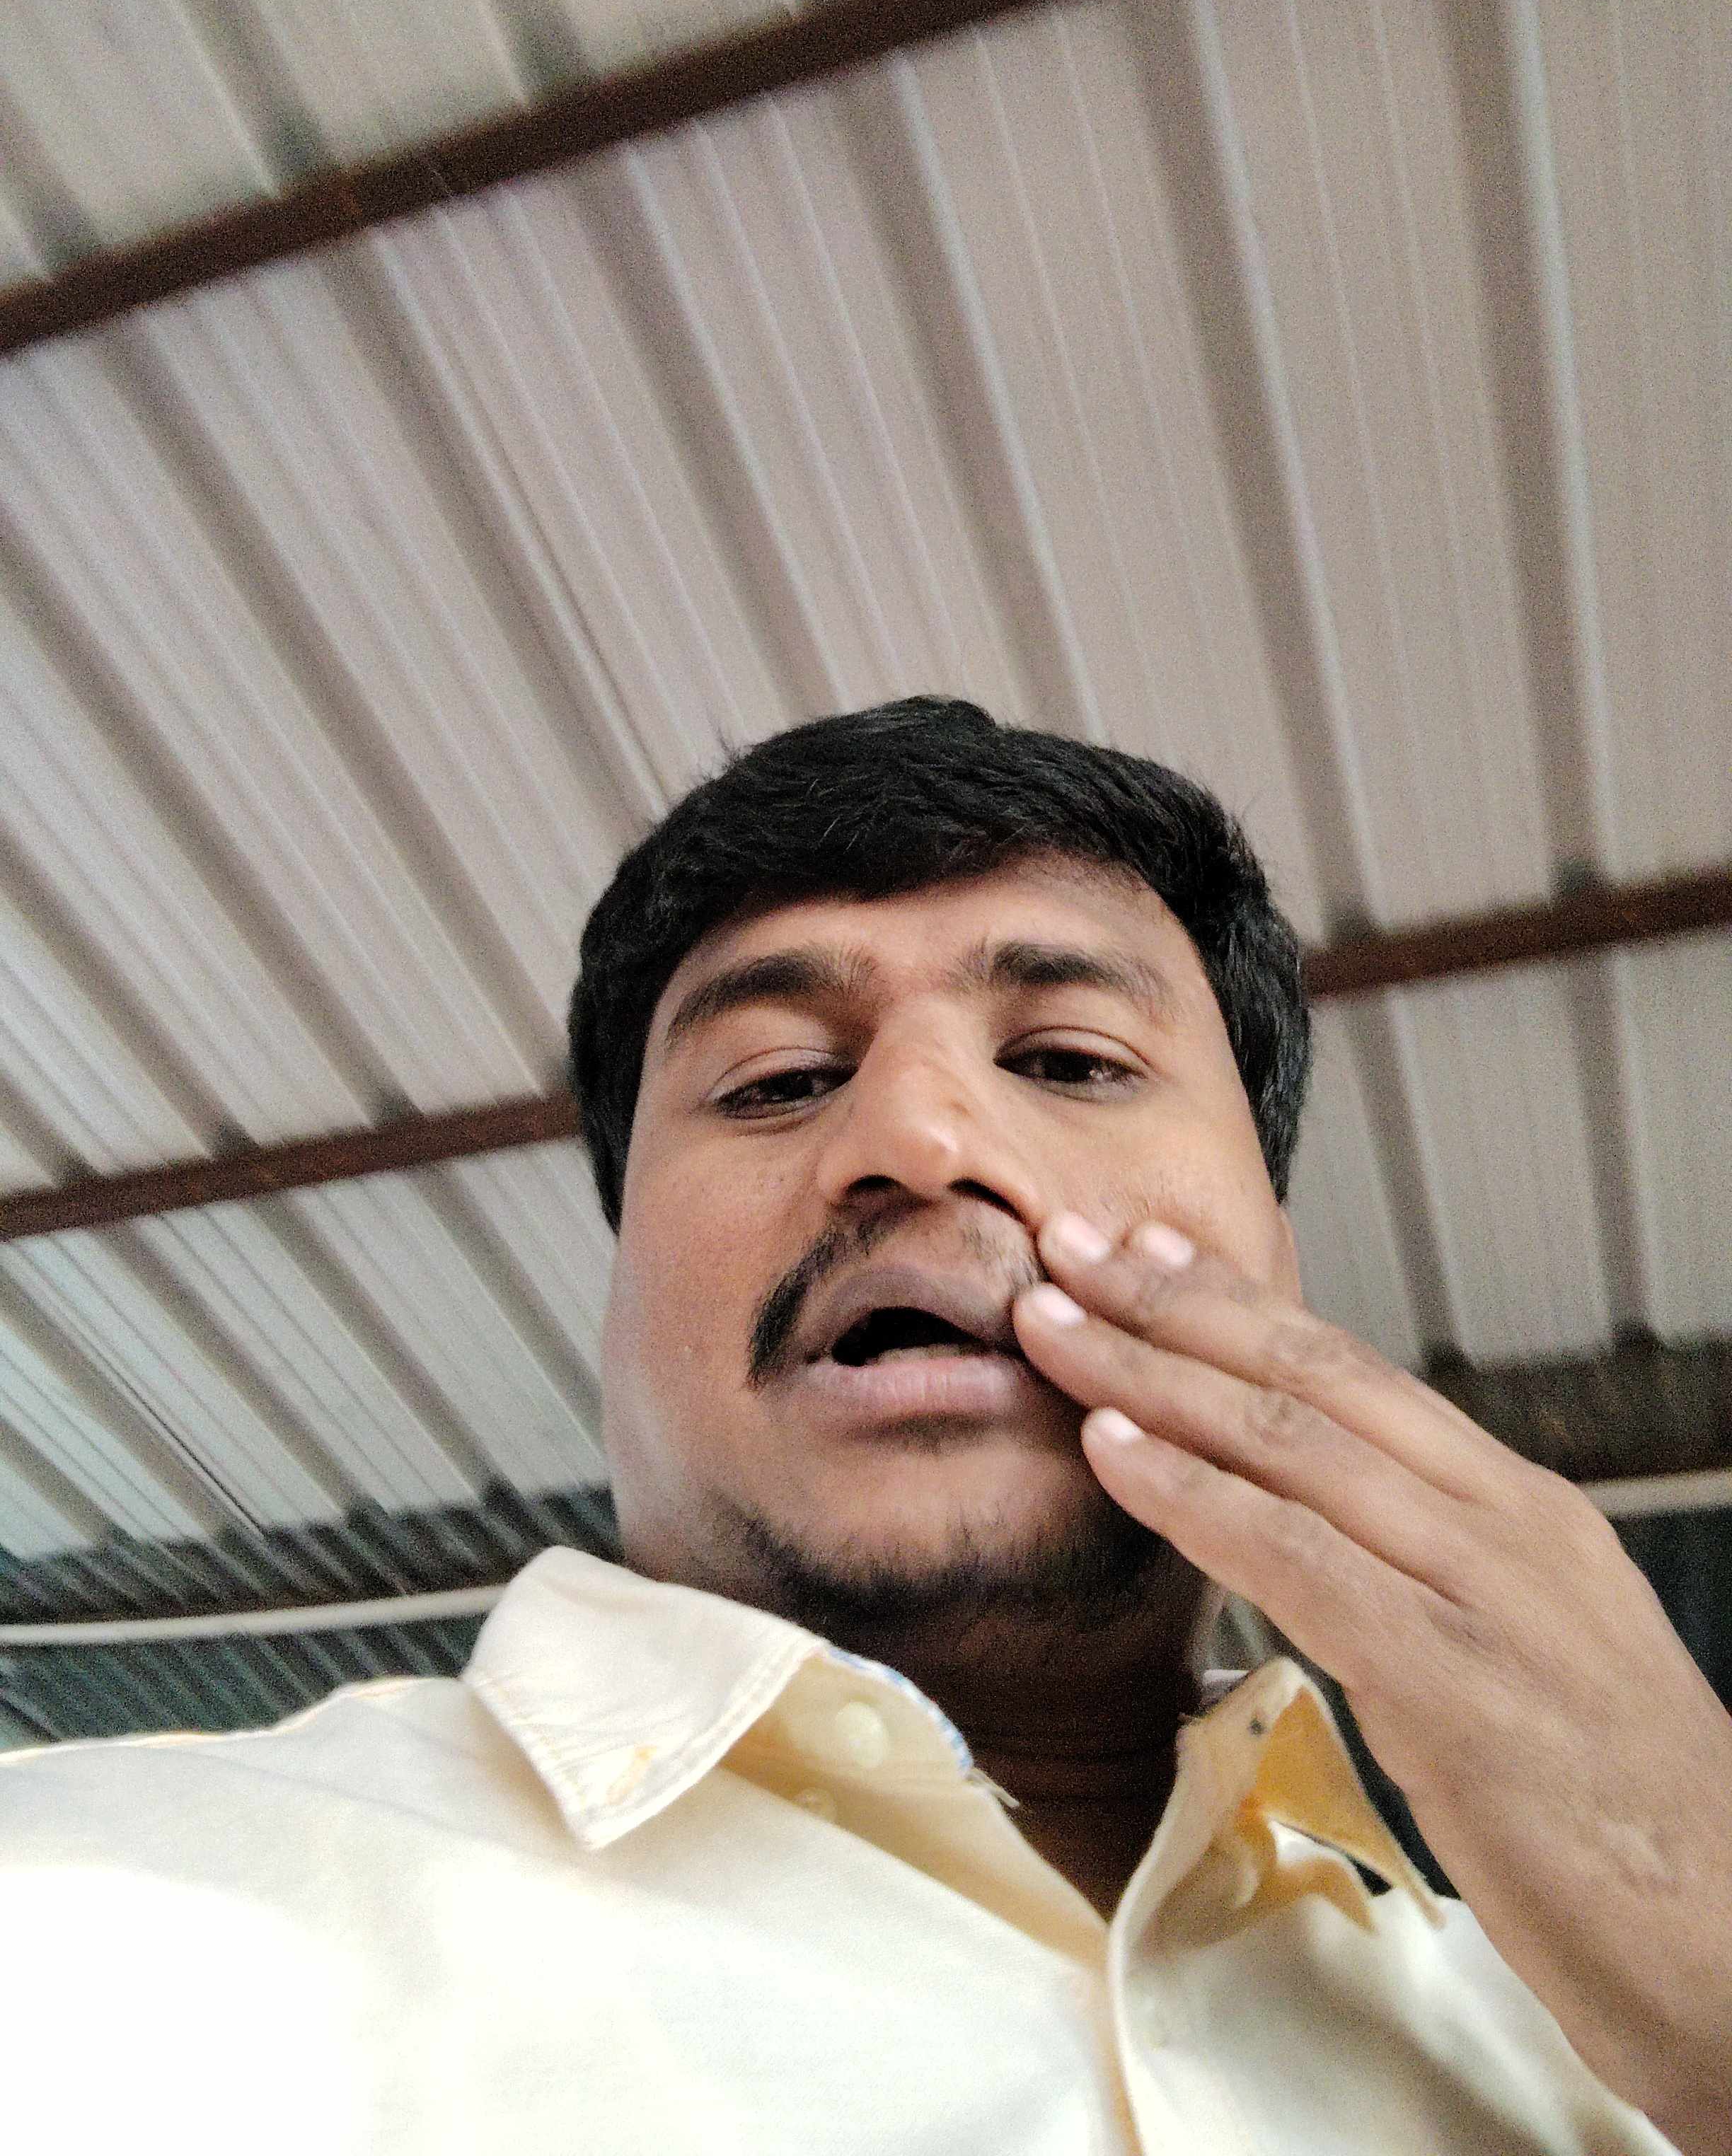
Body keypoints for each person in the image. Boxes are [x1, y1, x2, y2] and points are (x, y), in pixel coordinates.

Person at [5, 697, 1727, 2152]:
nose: (915, 1136)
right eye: (774, 1083)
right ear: (621, 1305)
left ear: (1276, 1266)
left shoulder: (1616, 2061)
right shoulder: (83, 1916)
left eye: (1069, 1060)